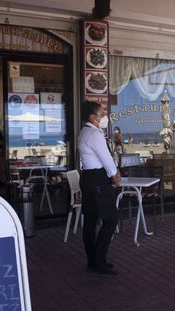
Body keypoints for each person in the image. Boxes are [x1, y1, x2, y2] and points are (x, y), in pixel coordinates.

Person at [78, 101, 121, 275]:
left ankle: (92, 260)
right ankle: (99, 260)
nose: (104, 117)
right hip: (97, 180)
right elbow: (106, 159)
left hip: (87, 179)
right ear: (92, 117)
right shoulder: (95, 134)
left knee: (90, 221)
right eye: (102, 115)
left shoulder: (84, 132)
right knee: (111, 219)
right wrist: (115, 175)